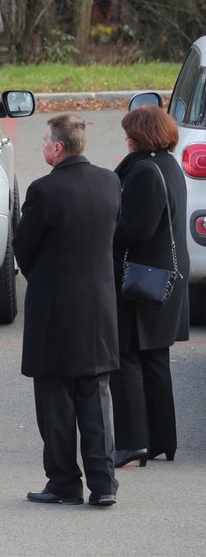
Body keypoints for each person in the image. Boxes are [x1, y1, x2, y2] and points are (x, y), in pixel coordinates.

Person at [13, 114, 122, 507]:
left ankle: (63, 480)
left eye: (44, 141)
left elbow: (23, 248)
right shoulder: (109, 181)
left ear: (57, 148)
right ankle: (104, 483)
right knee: (96, 397)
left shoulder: (44, 191)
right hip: (98, 306)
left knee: (56, 401)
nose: (41, 146)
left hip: (54, 308)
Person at [110, 105, 190, 467]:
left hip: (143, 277)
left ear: (140, 136)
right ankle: (162, 439)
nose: (125, 137)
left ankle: (133, 441)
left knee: (127, 356)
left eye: (129, 132)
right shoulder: (168, 165)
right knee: (156, 358)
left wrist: (103, 231)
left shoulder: (143, 170)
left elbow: (135, 230)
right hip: (166, 274)